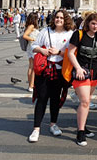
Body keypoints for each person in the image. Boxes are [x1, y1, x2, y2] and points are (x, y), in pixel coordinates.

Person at [28, 10, 74, 142]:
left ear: (65, 20)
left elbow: (73, 52)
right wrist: (42, 50)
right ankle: (36, 128)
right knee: (42, 98)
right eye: (57, 17)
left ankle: (53, 124)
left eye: (61, 18)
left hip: (59, 70)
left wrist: (59, 52)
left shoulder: (70, 34)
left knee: (55, 98)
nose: (58, 20)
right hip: (44, 69)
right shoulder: (45, 31)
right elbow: (34, 46)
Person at [68, 13, 97, 146]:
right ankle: (80, 132)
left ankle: (83, 125)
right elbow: (70, 53)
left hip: (94, 73)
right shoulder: (78, 34)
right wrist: (78, 68)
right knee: (85, 101)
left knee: (87, 100)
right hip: (81, 72)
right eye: (93, 23)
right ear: (88, 23)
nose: (95, 26)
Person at [23, 12, 40, 92]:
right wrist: (33, 39)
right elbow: (24, 36)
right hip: (33, 48)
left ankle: (30, 85)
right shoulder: (32, 26)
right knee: (33, 68)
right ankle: (31, 85)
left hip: (30, 47)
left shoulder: (29, 26)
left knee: (31, 67)